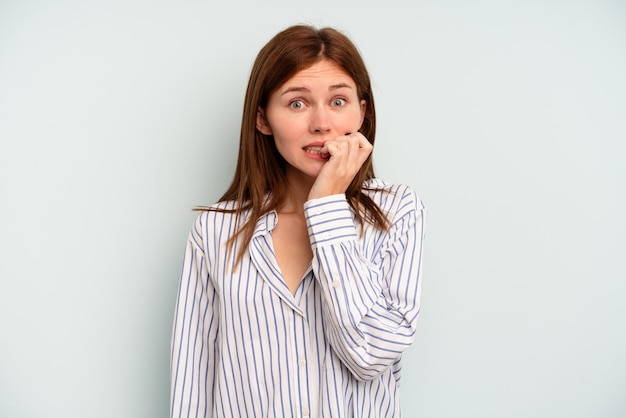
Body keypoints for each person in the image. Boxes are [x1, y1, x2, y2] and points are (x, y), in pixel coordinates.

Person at [170, 24, 426, 418]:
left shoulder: (397, 212)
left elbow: (370, 354)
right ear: (262, 119)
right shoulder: (216, 230)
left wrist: (325, 204)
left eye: (338, 101)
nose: (321, 124)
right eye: (297, 104)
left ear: (363, 111)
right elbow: (193, 377)